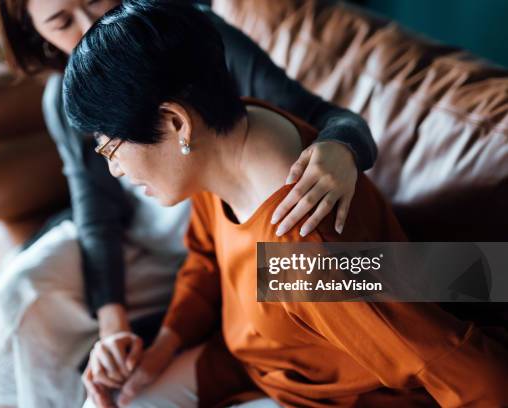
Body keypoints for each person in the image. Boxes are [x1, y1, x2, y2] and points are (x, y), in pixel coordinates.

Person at [62, 1, 508, 407]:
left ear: (176, 122)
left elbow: (475, 374)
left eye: (110, 149)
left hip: (320, 395)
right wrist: (162, 347)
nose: (115, 170)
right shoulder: (238, 133)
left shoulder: (300, 250)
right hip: (258, 361)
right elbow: (207, 260)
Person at [0, 0, 379, 407]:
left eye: (94, 0)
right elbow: (96, 213)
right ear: (37, 34)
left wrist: (342, 147)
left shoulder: (188, 46)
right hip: (151, 236)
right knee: (21, 294)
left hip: (213, 231)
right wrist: (114, 324)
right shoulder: (69, 98)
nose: (88, 25)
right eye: (61, 22)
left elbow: (424, 314)